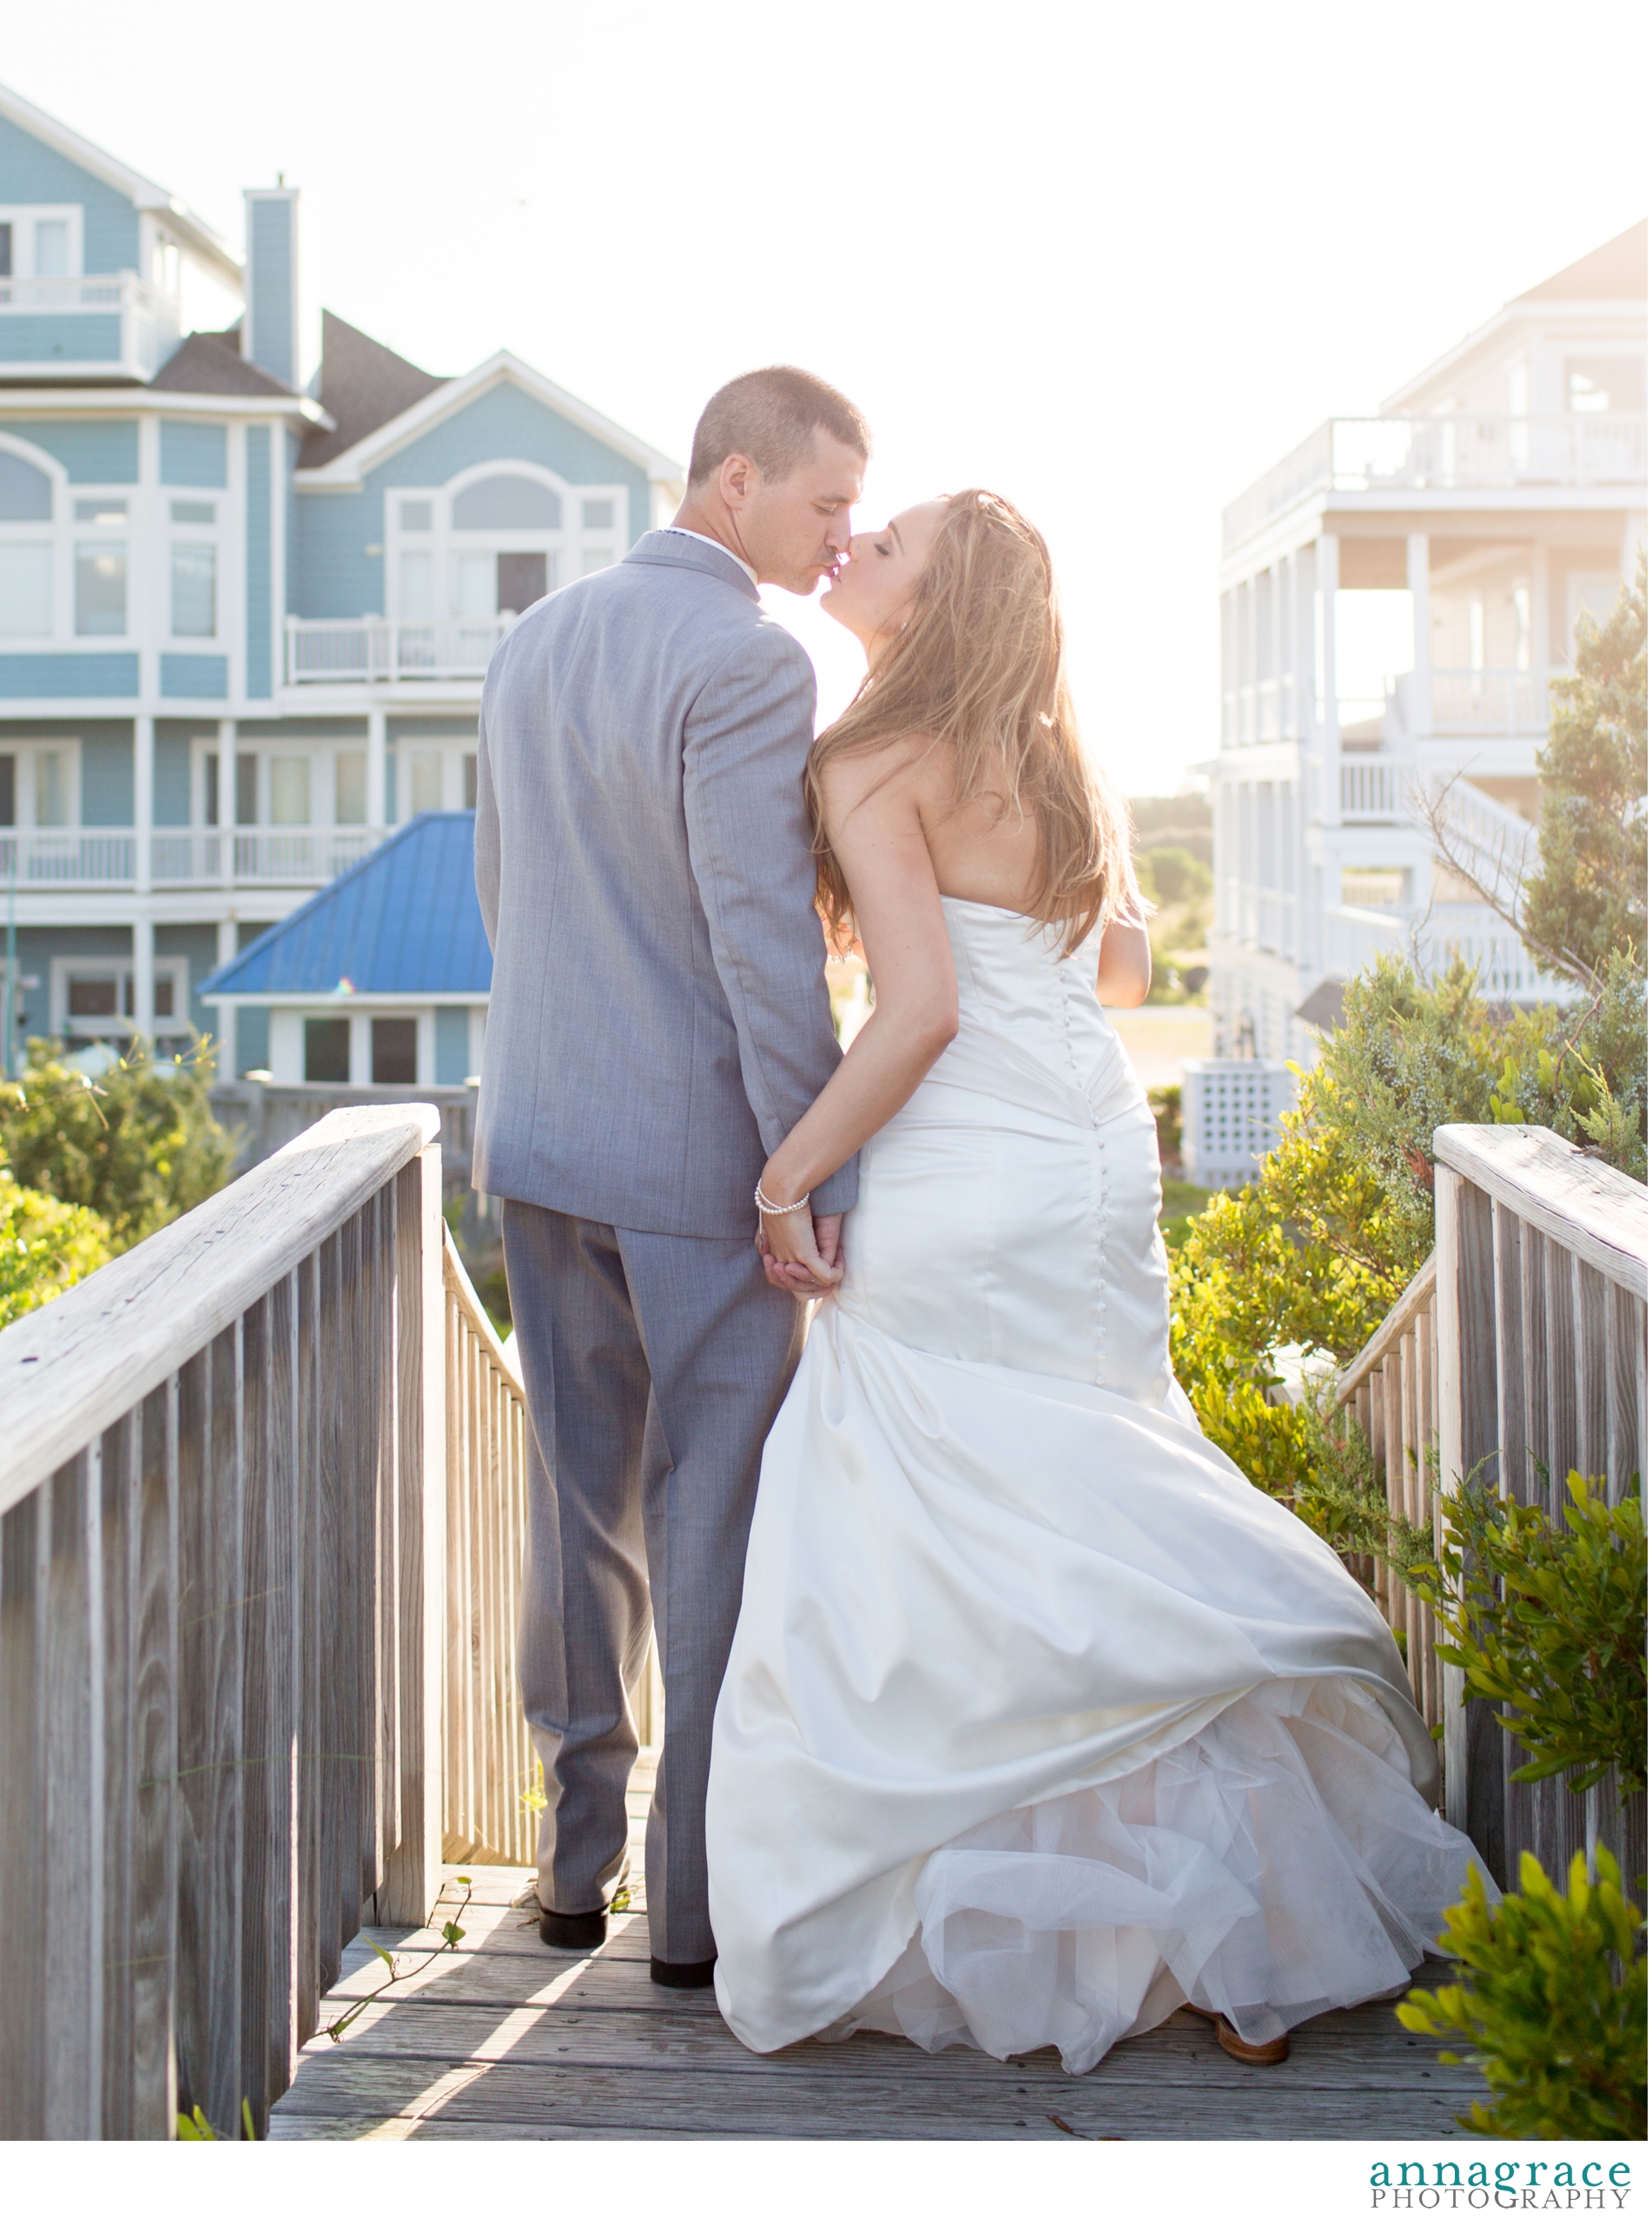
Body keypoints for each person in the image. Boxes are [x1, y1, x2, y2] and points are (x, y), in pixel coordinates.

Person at [707, 489, 1490, 2072]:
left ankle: (1109, 1921)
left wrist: (788, 1174)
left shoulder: (869, 756)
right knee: (1081, 1499)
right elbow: (1122, 968)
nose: (861, 545)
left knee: (948, 1518)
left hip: (962, 1174)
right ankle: (1223, 1922)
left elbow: (917, 1008)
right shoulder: (1058, 760)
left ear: (933, 608)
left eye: (896, 542)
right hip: (1089, 1160)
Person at [472, 365, 871, 1988]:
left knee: (577, 1505)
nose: (841, 540)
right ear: (732, 484)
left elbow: (505, 891)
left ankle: (573, 1877)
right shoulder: (748, 656)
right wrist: (812, 1160)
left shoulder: (535, 637)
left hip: (541, 1134)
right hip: (700, 1160)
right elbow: (764, 945)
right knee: (706, 1516)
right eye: (825, 503)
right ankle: (689, 1918)